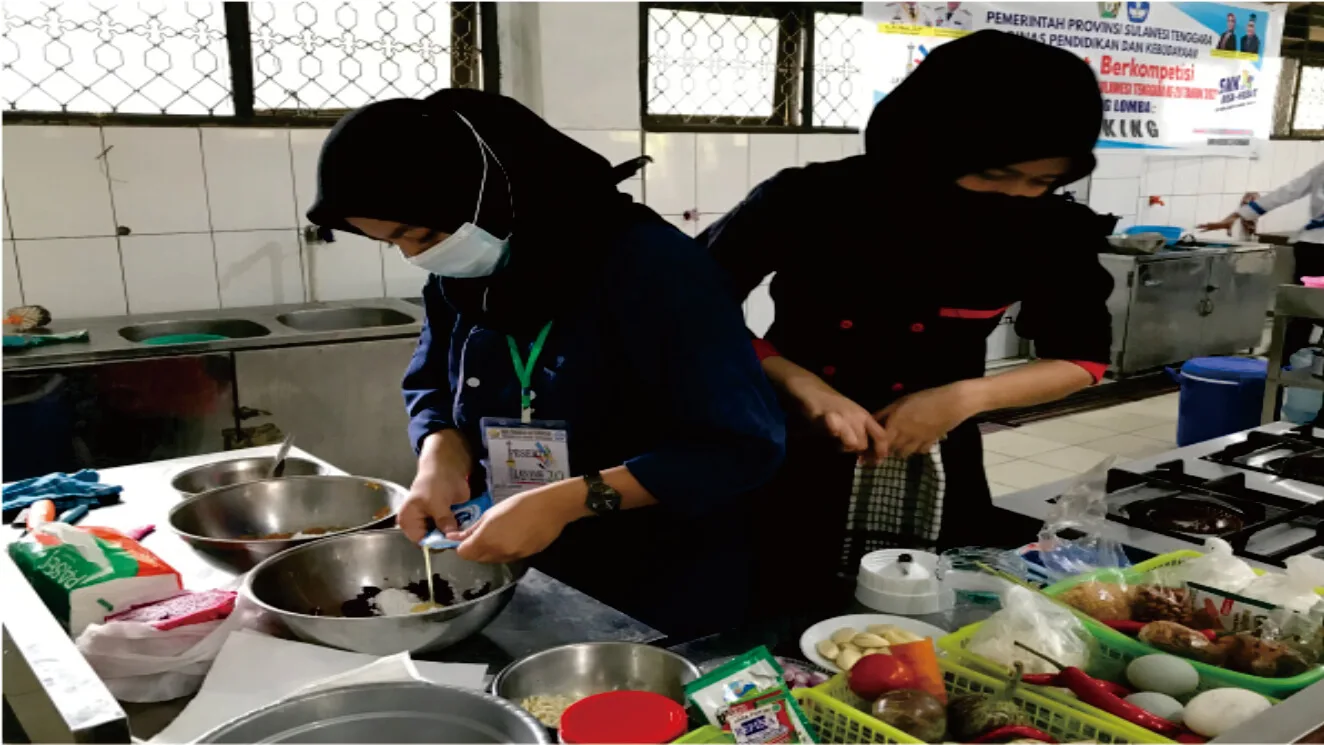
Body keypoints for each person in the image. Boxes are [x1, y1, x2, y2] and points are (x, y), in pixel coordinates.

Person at [306, 89, 786, 637]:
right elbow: (433, 380)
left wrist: (566, 501)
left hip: (658, 569)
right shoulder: (467, 278)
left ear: (495, 191)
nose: (416, 256)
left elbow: (740, 446)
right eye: (391, 243)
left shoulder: (654, 269)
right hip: (526, 552)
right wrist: (439, 459)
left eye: (422, 235)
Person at [699, 30, 1113, 606]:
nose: (1017, 197)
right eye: (995, 175)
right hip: (787, 437)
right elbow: (694, 306)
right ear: (932, 144)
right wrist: (801, 382)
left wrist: (961, 400)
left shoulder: (1046, 228)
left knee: (920, 604)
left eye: (1042, 181)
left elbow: (1083, 357)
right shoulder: (810, 200)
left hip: (938, 446)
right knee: (772, 590)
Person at [1201, 159, 1324, 356]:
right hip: (1314, 247)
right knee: (1306, 310)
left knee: (1303, 310)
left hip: (1310, 246)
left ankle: (1284, 363)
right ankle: (1290, 364)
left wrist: (1238, 215)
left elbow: (1287, 192)